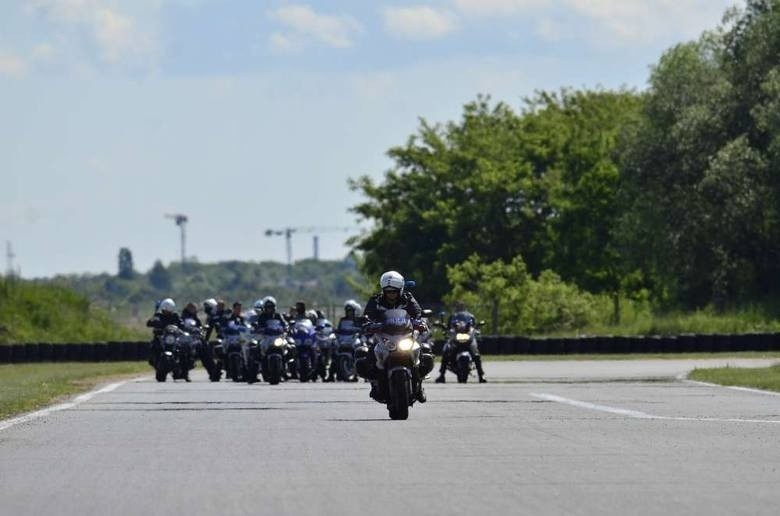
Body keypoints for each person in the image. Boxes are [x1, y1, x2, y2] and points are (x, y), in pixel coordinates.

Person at [357, 271, 431, 403]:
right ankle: (375, 384)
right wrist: (367, 323)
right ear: (384, 290)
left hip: (405, 334)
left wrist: (421, 322)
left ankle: (418, 385)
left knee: (424, 352)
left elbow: (418, 313)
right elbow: (367, 315)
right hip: (384, 336)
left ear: (401, 290)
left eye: (395, 291)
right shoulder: (376, 300)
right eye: (388, 291)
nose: (391, 294)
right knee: (369, 355)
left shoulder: (408, 298)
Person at [435, 300, 487, 383]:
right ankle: (442, 375)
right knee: (446, 352)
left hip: (467, 337)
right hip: (456, 336)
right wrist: (445, 328)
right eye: (459, 306)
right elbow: (448, 327)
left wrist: (476, 329)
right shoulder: (453, 317)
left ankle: (481, 375)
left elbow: (474, 327)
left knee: (476, 355)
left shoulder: (470, 316)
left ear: (464, 307)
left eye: (461, 306)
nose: (460, 307)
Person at [146, 298, 182, 366]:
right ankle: (154, 359)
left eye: (168, 310)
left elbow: (181, 323)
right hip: (160, 336)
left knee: (181, 346)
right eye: (165, 310)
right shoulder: (158, 315)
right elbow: (150, 322)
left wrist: (183, 327)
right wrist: (154, 322)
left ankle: (181, 362)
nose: (166, 312)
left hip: (172, 337)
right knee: (154, 345)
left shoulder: (175, 316)